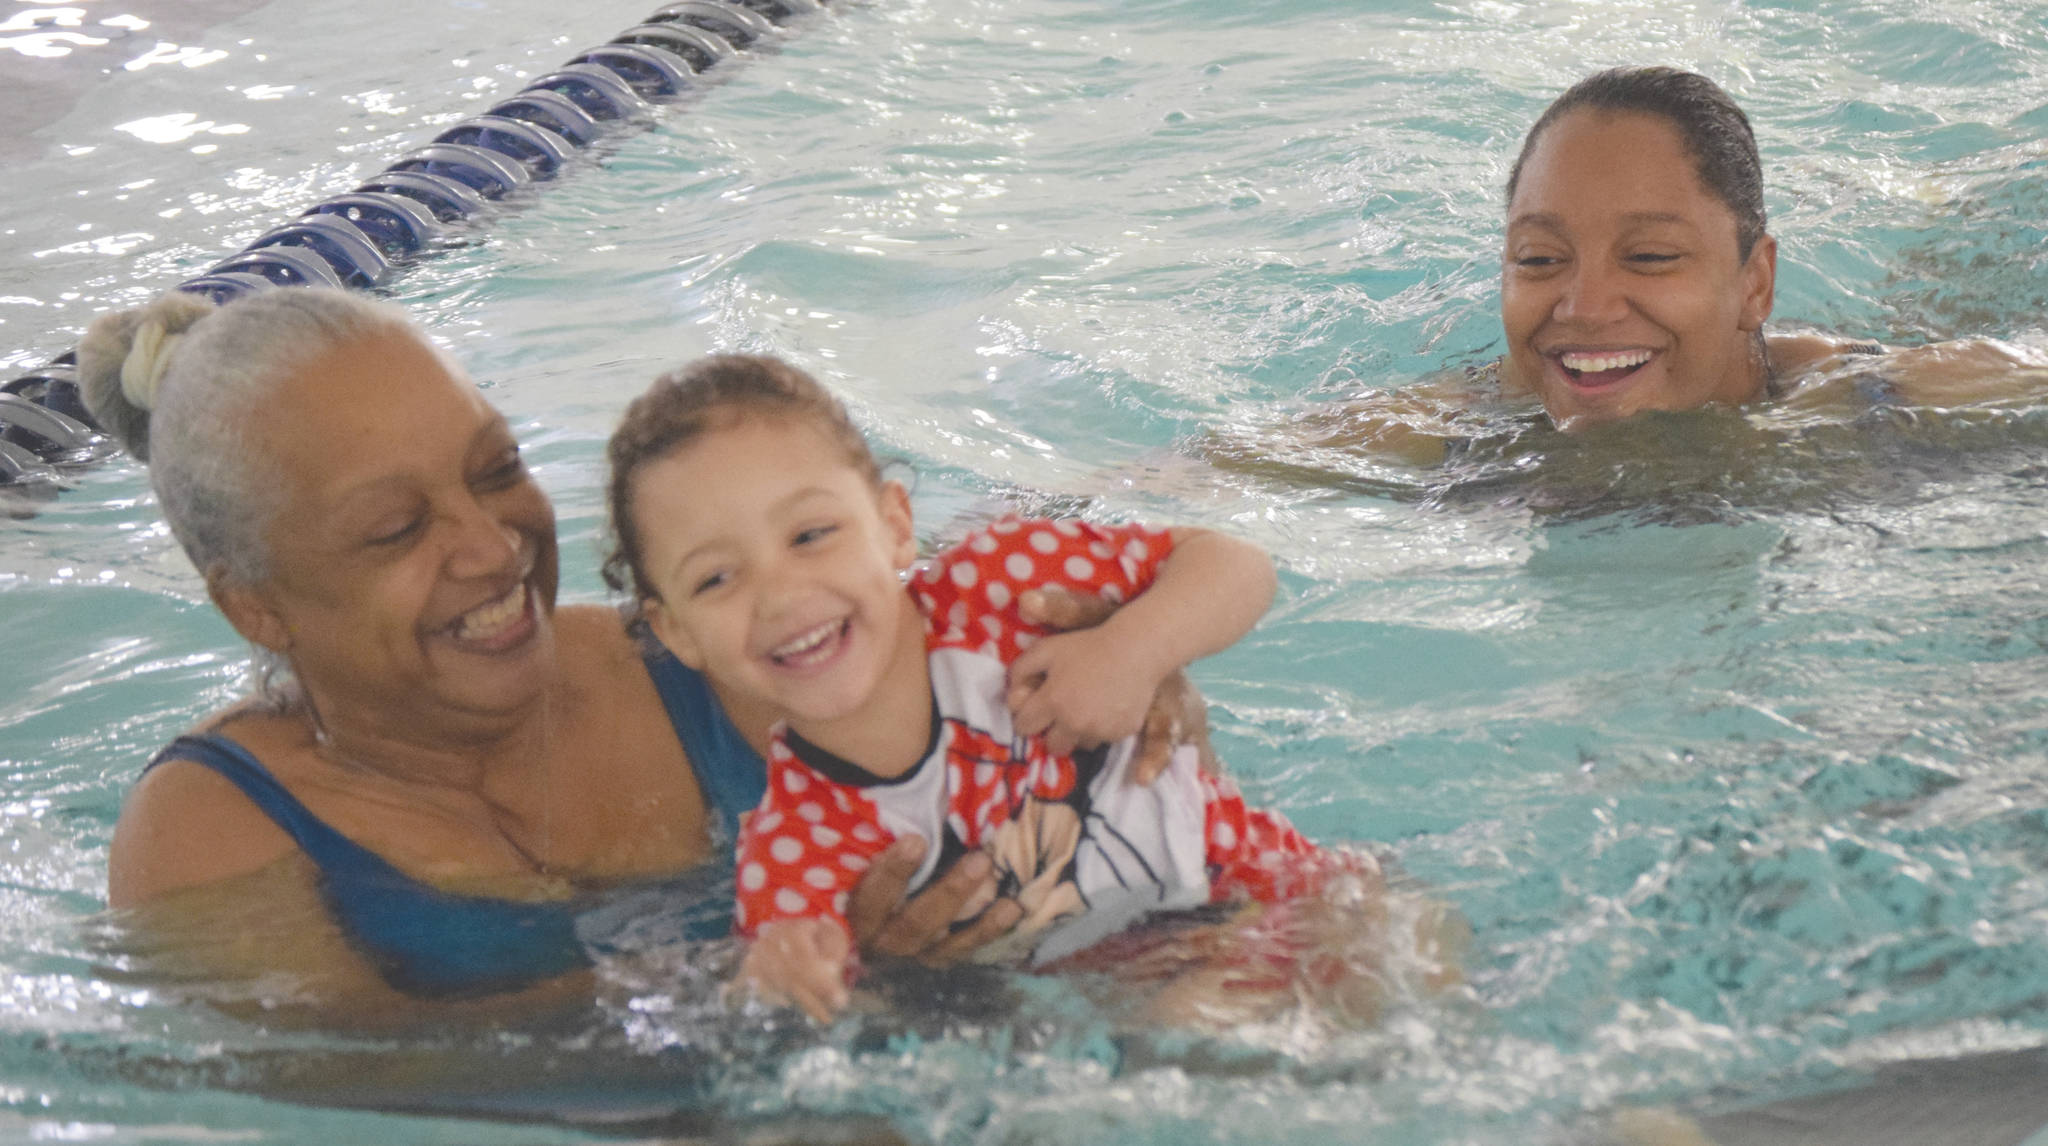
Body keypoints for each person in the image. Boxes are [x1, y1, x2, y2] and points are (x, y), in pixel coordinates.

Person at [79, 288, 1181, 1024]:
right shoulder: (215, 831)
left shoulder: (716, 649)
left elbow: (982, 635)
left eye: (495, 465)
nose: (491, 543)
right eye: (395, 530)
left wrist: (1098, 670)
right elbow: (361, 1089)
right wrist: (804, 977)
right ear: (257, 607)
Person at [603, 355, 1378, 1022]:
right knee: (1186, 1027)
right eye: (716, 577)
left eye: (811, 535)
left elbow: (1238, 566)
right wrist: (777, 980)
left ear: (896, 525)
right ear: (673, 633)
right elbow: (824, 1007)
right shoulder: (794, 845)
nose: (779, 595)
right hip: (1145, 989)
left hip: (1291, 892)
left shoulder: (1004, 587)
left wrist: (1133, 648)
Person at [1212, 66, 2048, 469]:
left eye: (1648, 256)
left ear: (1754, 282)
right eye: (1540, 258)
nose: (1582, 305)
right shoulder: (1460, 429)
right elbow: (1172, 488)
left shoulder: (1877, 400)